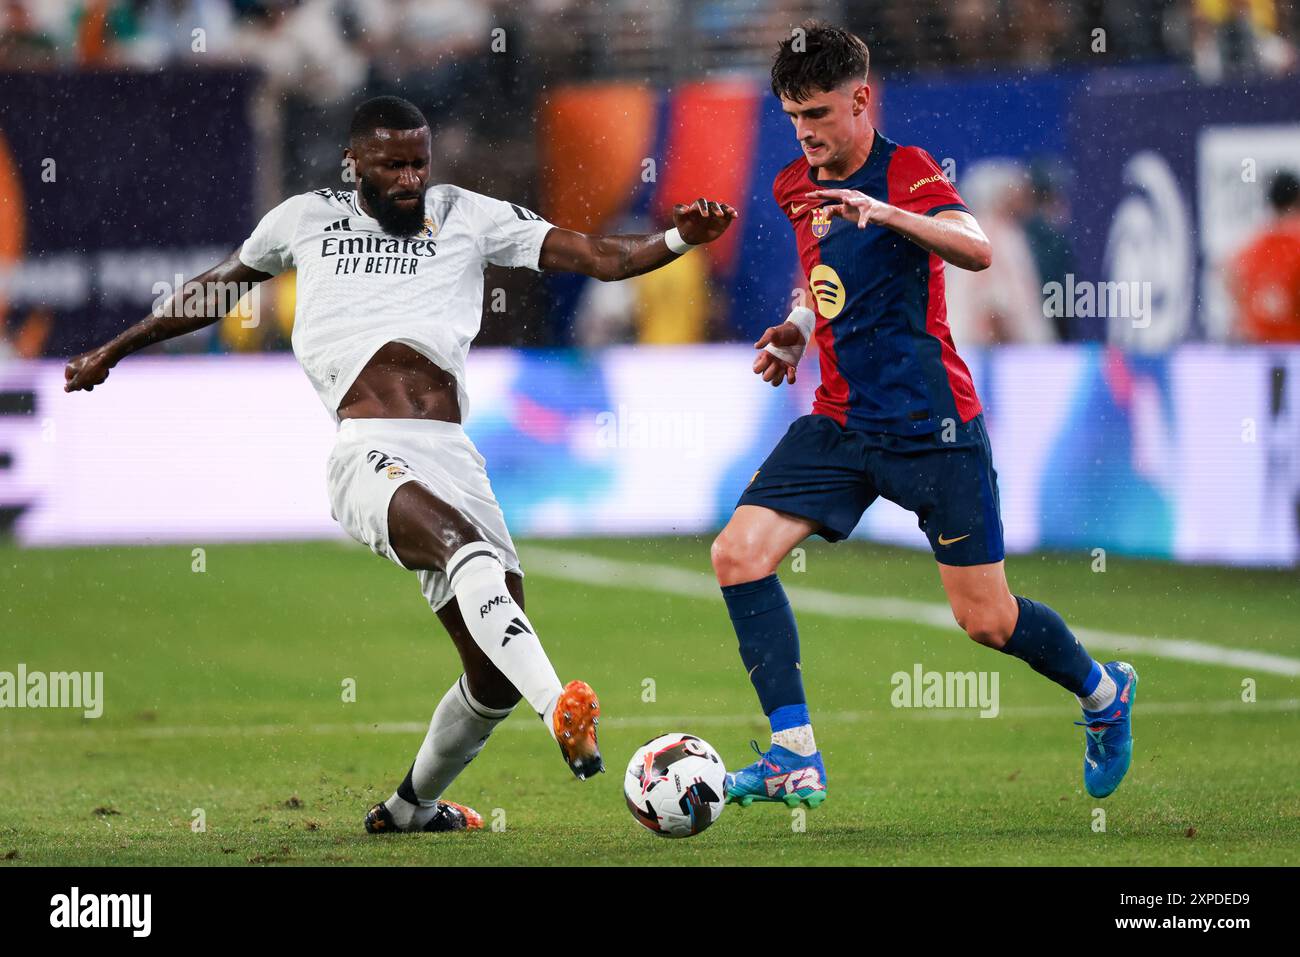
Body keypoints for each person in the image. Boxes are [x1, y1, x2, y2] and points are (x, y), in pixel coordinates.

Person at [64, 95, 738, 834]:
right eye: (393, 164)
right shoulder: (301, 219)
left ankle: (409, 807)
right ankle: (563, 709)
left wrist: (678, 236)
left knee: (490, 674)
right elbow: (216, 288)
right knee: (464, 551)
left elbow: (601, 256)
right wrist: (115, 348)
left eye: (419, 161)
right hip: (368, 451)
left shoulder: (467, 215)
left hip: (454, 453)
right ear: (354, 163)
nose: (411, 178)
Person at [710, 23, 1138, 810]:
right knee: (737, 555)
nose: (805, 131)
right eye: (793, 114)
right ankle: (792, 754)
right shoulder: (792, 188)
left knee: (987, 619)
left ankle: (1104, 693)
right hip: (841, 423)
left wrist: (886, 212)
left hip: (933, 426)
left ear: (861, 99)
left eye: (819, 112)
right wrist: (798, 331)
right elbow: (821, 283)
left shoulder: (904, 172)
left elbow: (973, 247)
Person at [1228, 170, 1300, 343]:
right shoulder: (1296, 241)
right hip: (1293, 347)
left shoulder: (1251, 247)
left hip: (1258, 349)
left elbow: (1231, 279)